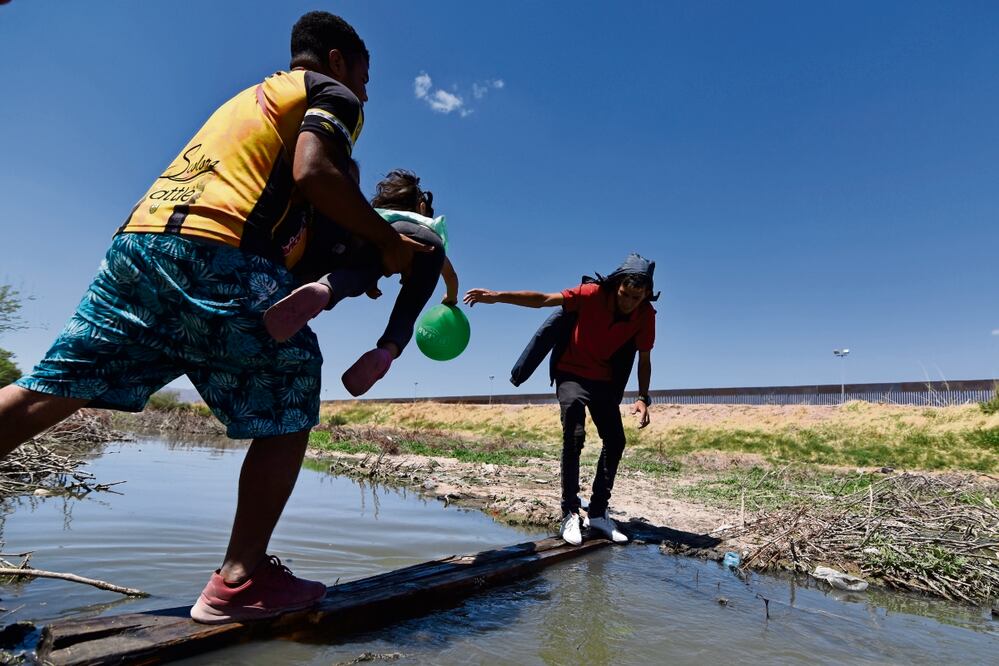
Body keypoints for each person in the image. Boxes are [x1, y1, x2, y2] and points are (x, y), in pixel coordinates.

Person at [0, 11, 428, 624]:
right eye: (365, 73)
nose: (366, 88)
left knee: (48, 388)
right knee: (294, 377)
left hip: (139, 246)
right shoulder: (328, 93)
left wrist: (341, 273)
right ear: (337, 60)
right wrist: (385, 244)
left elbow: (294, 195)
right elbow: (317, 171)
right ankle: (238, 582)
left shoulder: (251, 100)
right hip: (215, 250)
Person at [464, 254, 658, 546]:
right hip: (572, 374)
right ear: (616, 285)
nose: (630, 302)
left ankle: (598, 513)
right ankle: (569, 512)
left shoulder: (645, 315)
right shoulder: (592, 294)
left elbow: (644, 358)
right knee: (575, 433)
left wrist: (643, 397)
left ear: (645, 295)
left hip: (604, 380)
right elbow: (543, 299)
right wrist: (497, 296)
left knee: (616, 440)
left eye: (637, 297)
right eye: (625, 295)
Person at [264, 168, 459, 396]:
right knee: (409, 308)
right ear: (422, 207)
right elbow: (450, 275)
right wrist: (451, 297)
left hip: (381, 235)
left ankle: (324, 289)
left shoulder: (378, 216)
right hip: (429, 244)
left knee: (357, 273)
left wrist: (370, 282)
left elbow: (365, 256)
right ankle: (386, 352)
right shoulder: (430, 226)